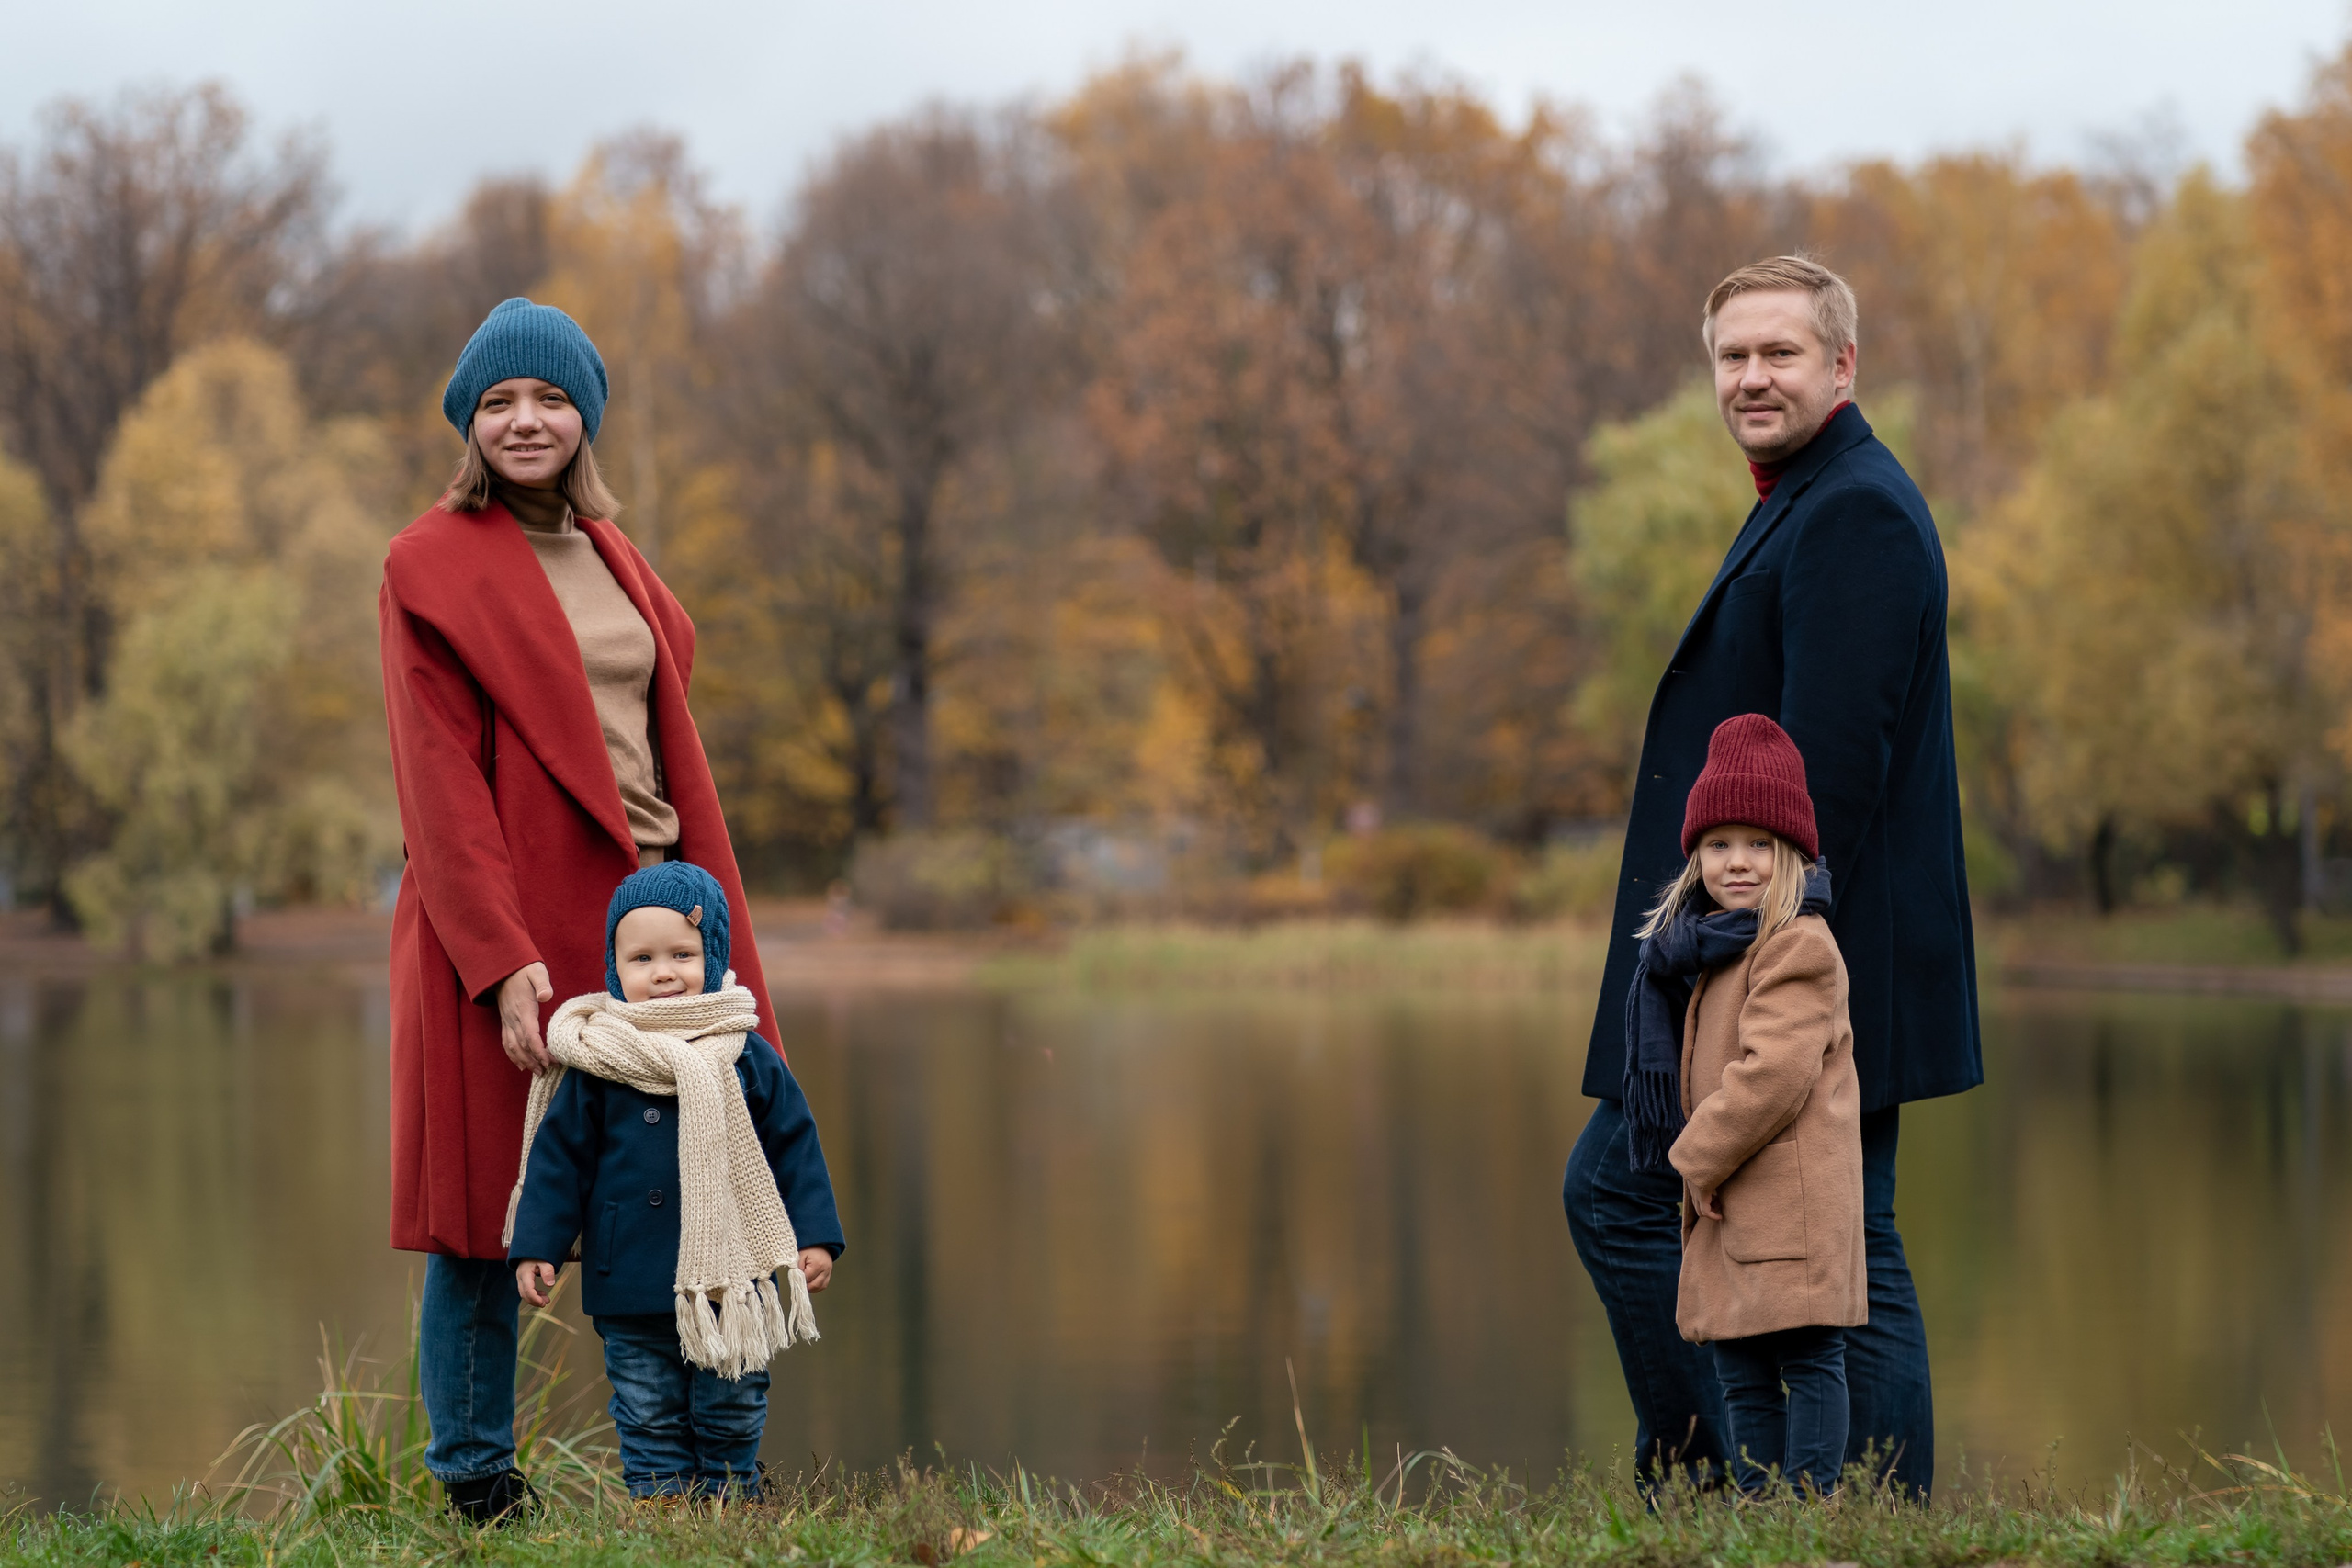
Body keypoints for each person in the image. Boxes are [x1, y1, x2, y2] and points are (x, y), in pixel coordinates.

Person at [1563, 255, 1980, 1498]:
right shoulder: (1814, 493)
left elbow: (1827, 780)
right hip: (1812, 944)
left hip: (1801, 952)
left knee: (1624, 1192)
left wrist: (1739, 981)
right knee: (1852, 1236)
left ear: (1841, 364)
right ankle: (1853, 1509)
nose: (1752, 375)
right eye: (1733, 355)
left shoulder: (1850, 508)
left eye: (1780, 352)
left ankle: (1722, 1476)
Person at [380, 297, 786, 1523]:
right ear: (468, 422)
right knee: (486, 1210)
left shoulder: (621, 558)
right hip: (504, 918)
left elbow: (663, 743)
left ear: (584, 418)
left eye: (550, 398)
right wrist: (500, 959)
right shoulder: (429, 562)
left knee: (684, 1179)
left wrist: (701, 927)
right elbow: (440, 782)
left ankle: (692, 1472)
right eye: (498, 401)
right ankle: (478, 1480)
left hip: (655, 925)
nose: (525, 419)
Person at [508, 862, 842, 1501]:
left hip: (728, 1274)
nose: (663, 971)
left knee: (732, 1404)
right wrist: (537, 1245)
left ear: (713, 954)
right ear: (615, 967)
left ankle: (730, 1501)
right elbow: (559, 1159)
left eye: (682, 954)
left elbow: (794, 1146)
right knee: (646, 1411)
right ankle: (661, 1517)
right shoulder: (600, 1058)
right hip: (628, 1276)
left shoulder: (743, 1050)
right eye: (642, 957)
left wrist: (815, 1237)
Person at [1628, 716, 1864, 1496]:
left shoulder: (1797, 943)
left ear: (1792, 853)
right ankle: (1762, 1514)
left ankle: (1808, 1509)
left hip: (1789, 1205)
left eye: (1760, 843)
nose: (1739, 861)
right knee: (1741, 1368)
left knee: (1806, 1359)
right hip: (1738, 1202)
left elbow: (1773, 1074)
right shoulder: (1711, 946)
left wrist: (1692, 1158)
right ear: (1696, 852)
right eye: (1721, 842)